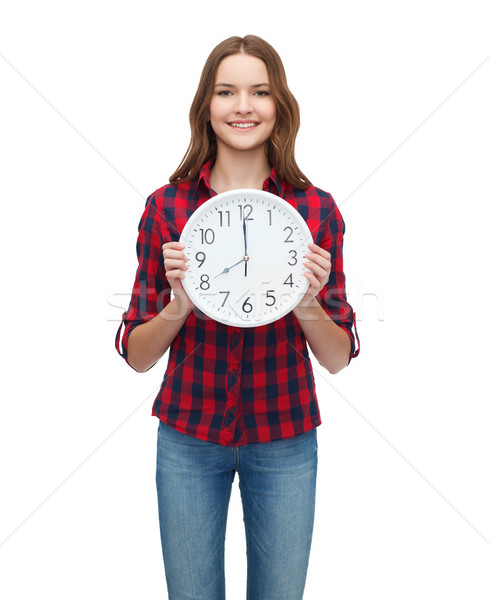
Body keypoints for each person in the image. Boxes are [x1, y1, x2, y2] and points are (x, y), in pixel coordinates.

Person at [115, 34, 359, 600]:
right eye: (226, 91)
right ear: (207, 105)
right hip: (188, 436)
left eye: (259, 92)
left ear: (280, 107)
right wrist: (181, 300)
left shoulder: (316, 210)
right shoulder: (167, 207)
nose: (243, 106)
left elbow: (339, 357)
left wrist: (306, 299)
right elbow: (137, 354)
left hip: (286, 436)